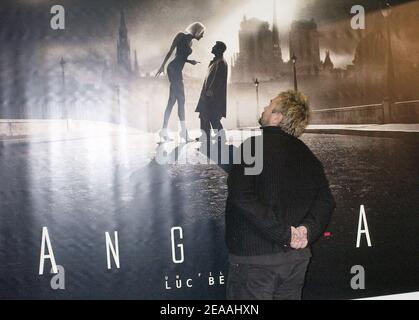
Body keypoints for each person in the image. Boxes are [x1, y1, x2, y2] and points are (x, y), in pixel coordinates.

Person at [225, 90, 336, 300]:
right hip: (296, 261)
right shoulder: (308, 155)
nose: (264, 108)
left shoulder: (253, 147)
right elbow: (326, 201)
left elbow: (242, 196)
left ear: (277, 117)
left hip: (256, 263)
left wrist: (285, 234)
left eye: (269, 105)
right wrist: (306, 231)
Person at [156, 22, 205, 142]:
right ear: (197, 31)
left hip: (176, 70)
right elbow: (171, 51)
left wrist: (189, 61)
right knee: (181, 101)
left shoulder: (190, 42)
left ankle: (164, 132)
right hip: (173, 70)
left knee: (172, 102)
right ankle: (183, 133)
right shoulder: (181, 36)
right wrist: (162, 66)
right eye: (202, 33)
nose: (203, 36)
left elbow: (181, 57)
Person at [195, 41, 228, 142]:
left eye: (215, 46)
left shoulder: (220, 62)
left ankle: (214, 136)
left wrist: (210, 92)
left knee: (210, 116)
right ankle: (211, 136)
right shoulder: (217, 62)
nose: (213, 47)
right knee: (207, 115)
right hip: (210, 95)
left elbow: (217, 80)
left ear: (218, 49)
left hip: (212, 96)